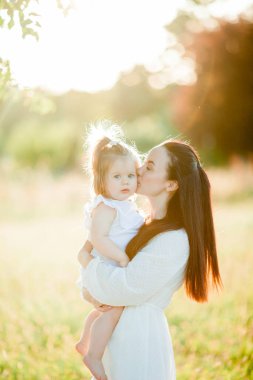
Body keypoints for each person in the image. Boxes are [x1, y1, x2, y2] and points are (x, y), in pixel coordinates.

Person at [78, 137, 223, 380]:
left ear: (171, 185)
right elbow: (103, 284)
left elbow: (123, 287)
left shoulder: (174, 239)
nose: (139, 169)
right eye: (144, 161)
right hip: (119, 336)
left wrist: (86, 260)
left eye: (150, 166)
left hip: (139, 340)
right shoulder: (139, 222)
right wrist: (91, 288)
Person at [75, 124, 144, 380]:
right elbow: (97, 238)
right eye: (117, 177)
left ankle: (84, 340)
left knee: (104, 309)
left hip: (109, 269)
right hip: (106, 268)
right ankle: (93, 354)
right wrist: (121, 257)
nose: (126, 181)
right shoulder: (106, 207)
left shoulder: (125, 205)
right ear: (101, 180)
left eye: (130, 175)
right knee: (114, 310)